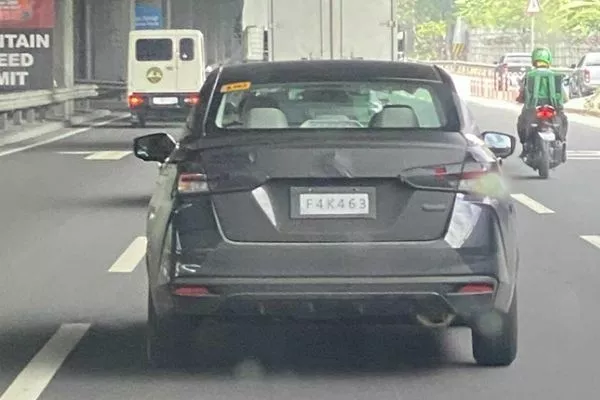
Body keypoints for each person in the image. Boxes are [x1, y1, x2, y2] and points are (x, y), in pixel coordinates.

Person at [515, 47, 568, 158]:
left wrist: (520, 99)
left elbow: (522, 94)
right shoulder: (555, 76)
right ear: (548, 59)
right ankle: (562, 143)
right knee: (564, 121)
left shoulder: (529, 75)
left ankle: (525, 148)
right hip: (554, 109)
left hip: (532, 110)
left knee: (521, 122)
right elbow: (564, 97)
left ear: (534, 59)